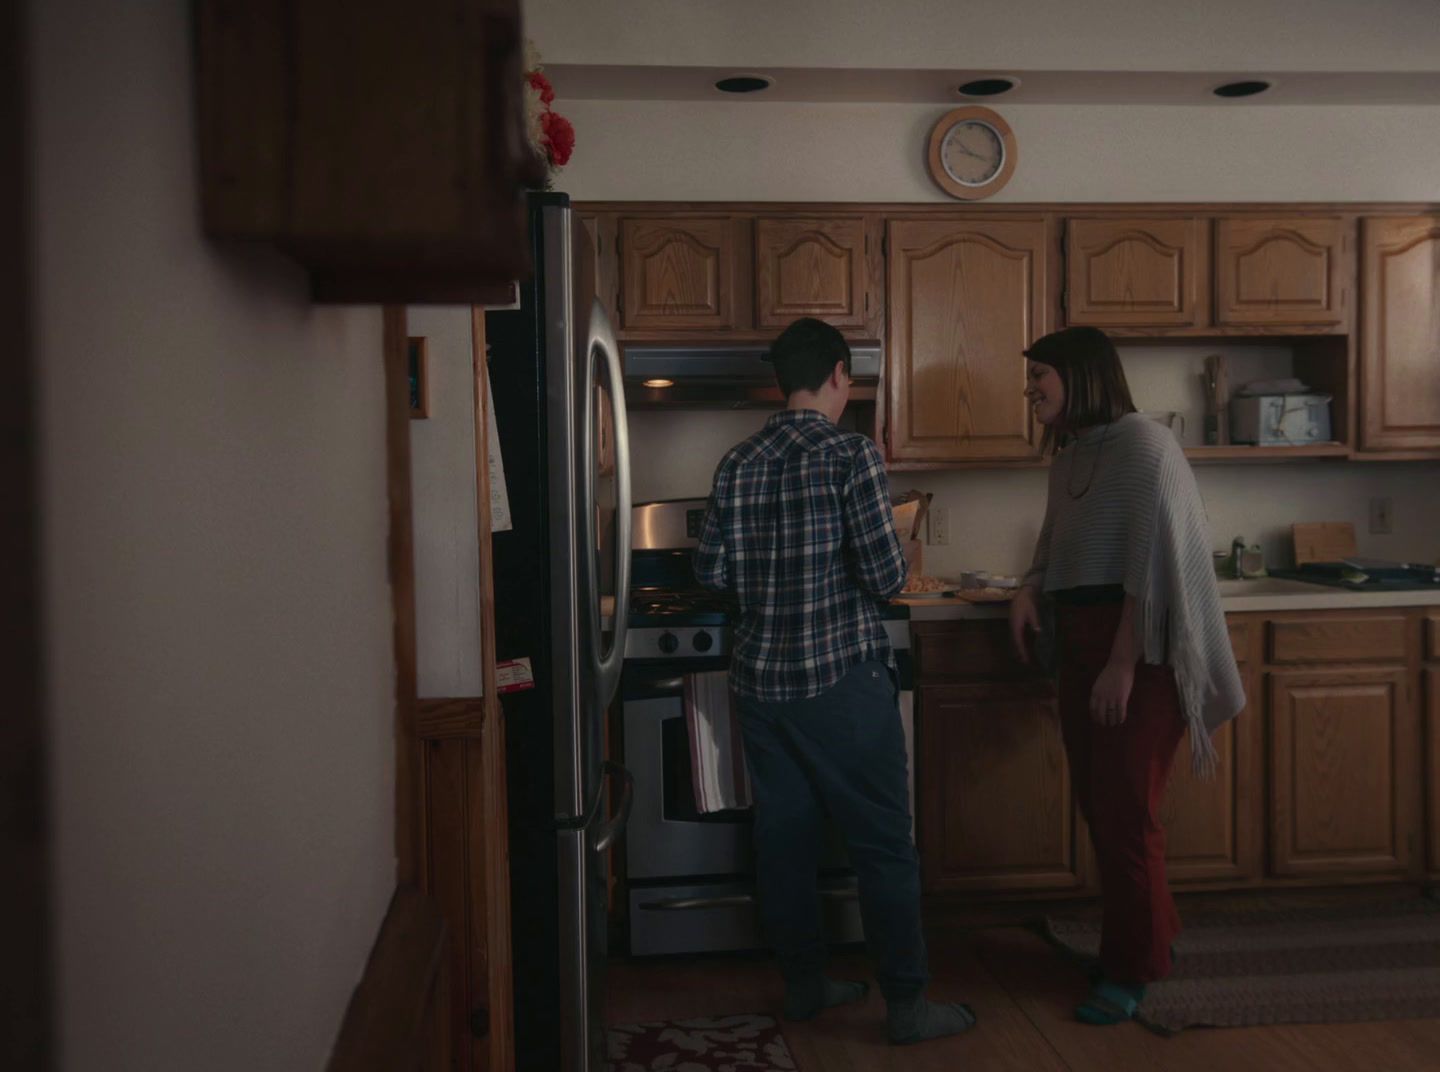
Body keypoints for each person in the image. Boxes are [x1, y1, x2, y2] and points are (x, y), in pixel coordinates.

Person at [695, 317, 974, 1046]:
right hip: (839, 682)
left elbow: (712, 572)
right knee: (883, 845)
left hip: (761, 686)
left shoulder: (736, 461)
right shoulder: (851, 455)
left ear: (783, 381)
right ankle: (908, 1007)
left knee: (783, 841)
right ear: (841, 376)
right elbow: (886, 577)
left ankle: (807, 986)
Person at [1008, 325, 1244, 1025]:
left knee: (1125, 817)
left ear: (1080, 377)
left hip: (1140, 650)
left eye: (1039, 377)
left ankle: (1131, 968)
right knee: (1104, 810)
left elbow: (1152, 568)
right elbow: (1054, 548)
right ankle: (1154, 938)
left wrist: (1121, 665)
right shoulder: (1071, 457)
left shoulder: (1146, 445)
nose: (1030, 391)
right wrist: (1027, 590)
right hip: (1085, 646)